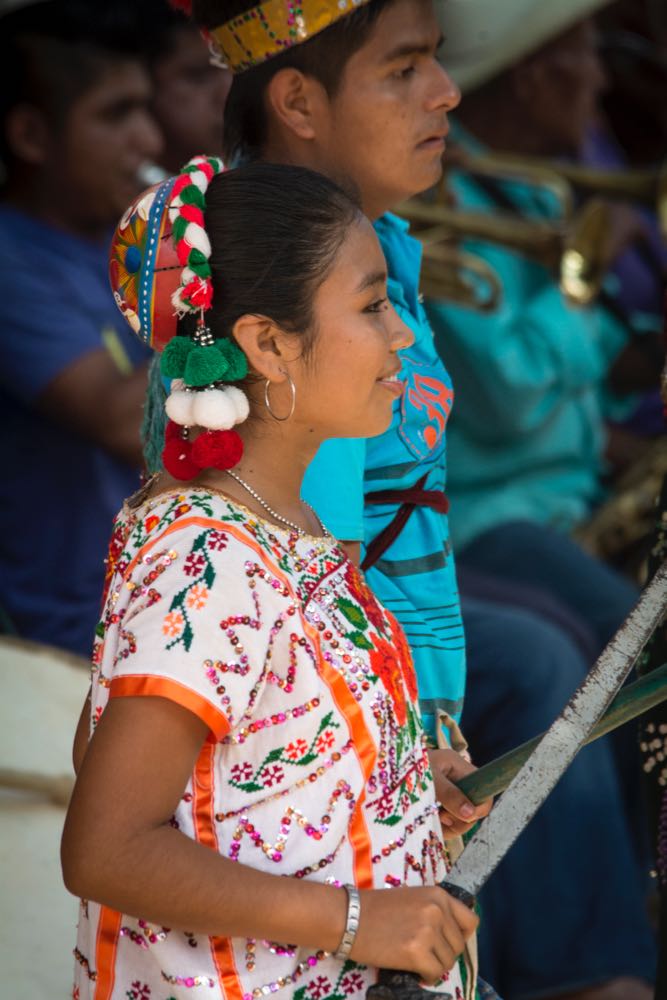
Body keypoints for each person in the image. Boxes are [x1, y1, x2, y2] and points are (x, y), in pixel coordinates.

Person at [187, 1, 656, 998]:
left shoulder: (379, 255)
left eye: (435, 64)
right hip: (336, 805)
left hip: (400, 755)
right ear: (298, 102)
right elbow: (300, 602)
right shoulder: (286, 302)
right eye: (403, 70)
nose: (446, 94)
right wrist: (383, 776)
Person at [62, 155, 483, 999]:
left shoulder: (288, 526)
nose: (401, 334)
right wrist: (356, 921)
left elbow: (238, 758)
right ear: (268, 344)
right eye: (372, 305)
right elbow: (107, 846)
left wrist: (393, 785)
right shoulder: (208, 561)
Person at [0, 0, 163, 656]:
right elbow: (129, 425)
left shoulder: (128, 237)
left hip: (173, 599)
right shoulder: (10, 264)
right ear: (31, 136)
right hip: (86, 634)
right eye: (116, 114)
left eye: (145, 109)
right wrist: (237, 281)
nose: (148, 140)